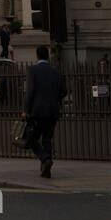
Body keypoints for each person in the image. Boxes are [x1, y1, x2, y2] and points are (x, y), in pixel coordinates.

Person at [22, 45, 67, 178]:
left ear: (37, 56)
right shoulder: (56, 72)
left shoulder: (33, 70)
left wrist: (26, 110)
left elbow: (29, 92)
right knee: (47, 139)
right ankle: (46, 170)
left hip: (37, 111)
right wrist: (54, 98)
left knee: (30, 139)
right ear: (47, 56)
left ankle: (45, 159)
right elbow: (64, 91)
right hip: (52, 111)